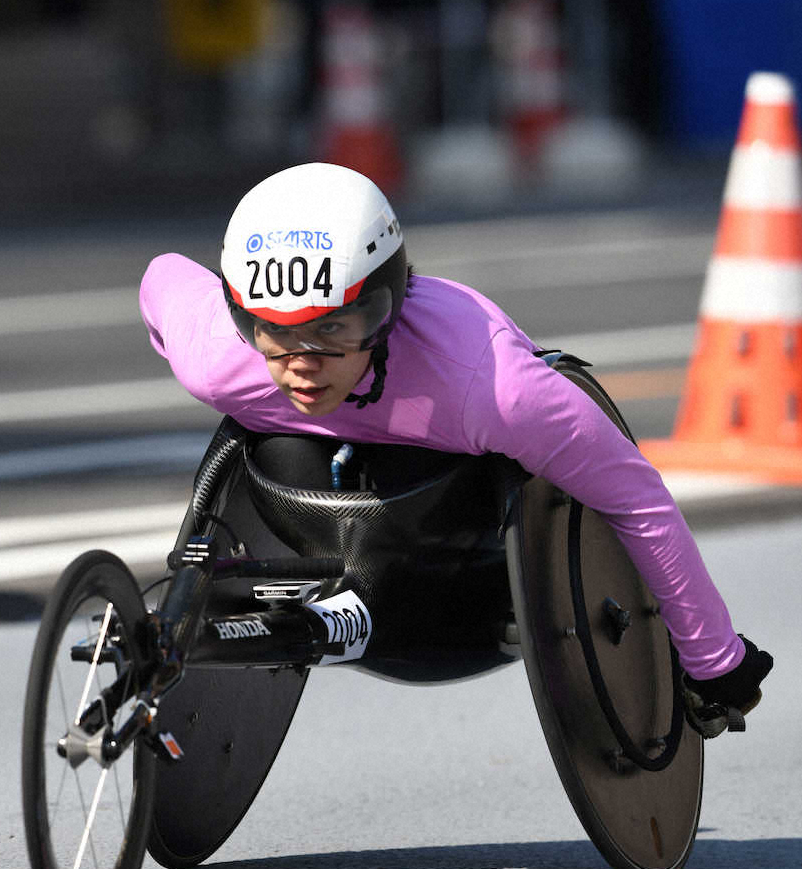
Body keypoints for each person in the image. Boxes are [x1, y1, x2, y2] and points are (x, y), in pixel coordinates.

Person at [140, 161, 773, 736]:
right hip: (311, 512)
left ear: (384, 308)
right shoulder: (219, 355)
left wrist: (715, 660)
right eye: (275, 333)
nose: (303, 365)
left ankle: (360, 598)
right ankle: (322, 600)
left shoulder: (492, 387)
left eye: (333, 329)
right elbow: (162, 276)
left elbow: (635, 498)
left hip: (457, 543)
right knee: (282, 445)